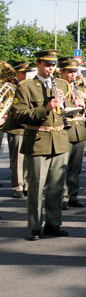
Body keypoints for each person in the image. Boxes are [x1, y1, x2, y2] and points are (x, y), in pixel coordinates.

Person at [12, 49, 71, 241]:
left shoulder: (62, 83)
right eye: (47, 64)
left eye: (53, 65)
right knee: (36, 187)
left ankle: (54, 224)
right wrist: (45, 108)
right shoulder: (26, 86)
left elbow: (69, 110)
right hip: (38, 141)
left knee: (56, 187)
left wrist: (71, 105)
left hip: (60, 140)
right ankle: (34, 226)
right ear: (38, 64)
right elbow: (20, 115)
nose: (50, 68)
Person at [58, 57, 86, 210]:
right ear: (62, 72)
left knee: (75, 168)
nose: (72, 74)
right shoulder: (58, 86)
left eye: (74, 71)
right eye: (69, 71)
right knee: (63, 167)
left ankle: (73, 195)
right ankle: (63, 197)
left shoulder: (79, 87)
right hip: (66, 128)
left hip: (79, 129)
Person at [2, 61, 32, 199]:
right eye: (23, 73)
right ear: (17, 73)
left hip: (29, 126)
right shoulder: (12, 87)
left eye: (27, 72)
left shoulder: (28, 86)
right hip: (16, 127)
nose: (26, 75)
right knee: (18, 159)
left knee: (28, 158)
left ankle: (26, 184)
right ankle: (18, 186)